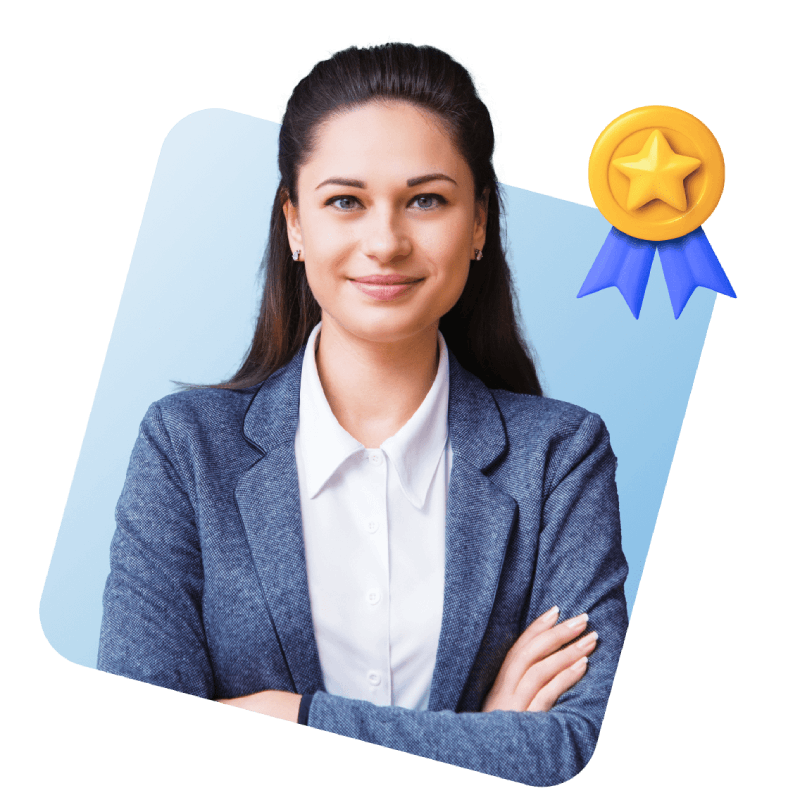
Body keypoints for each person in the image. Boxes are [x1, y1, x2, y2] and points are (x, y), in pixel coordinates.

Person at [98, 42, 628, 787]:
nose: (385, 242)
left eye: (428, 200)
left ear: (479, 223)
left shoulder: (560, 457)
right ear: (295, 224)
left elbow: (574, 749)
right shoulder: (185, 449)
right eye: (345, 201)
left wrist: (296, 716)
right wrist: (481, 739)